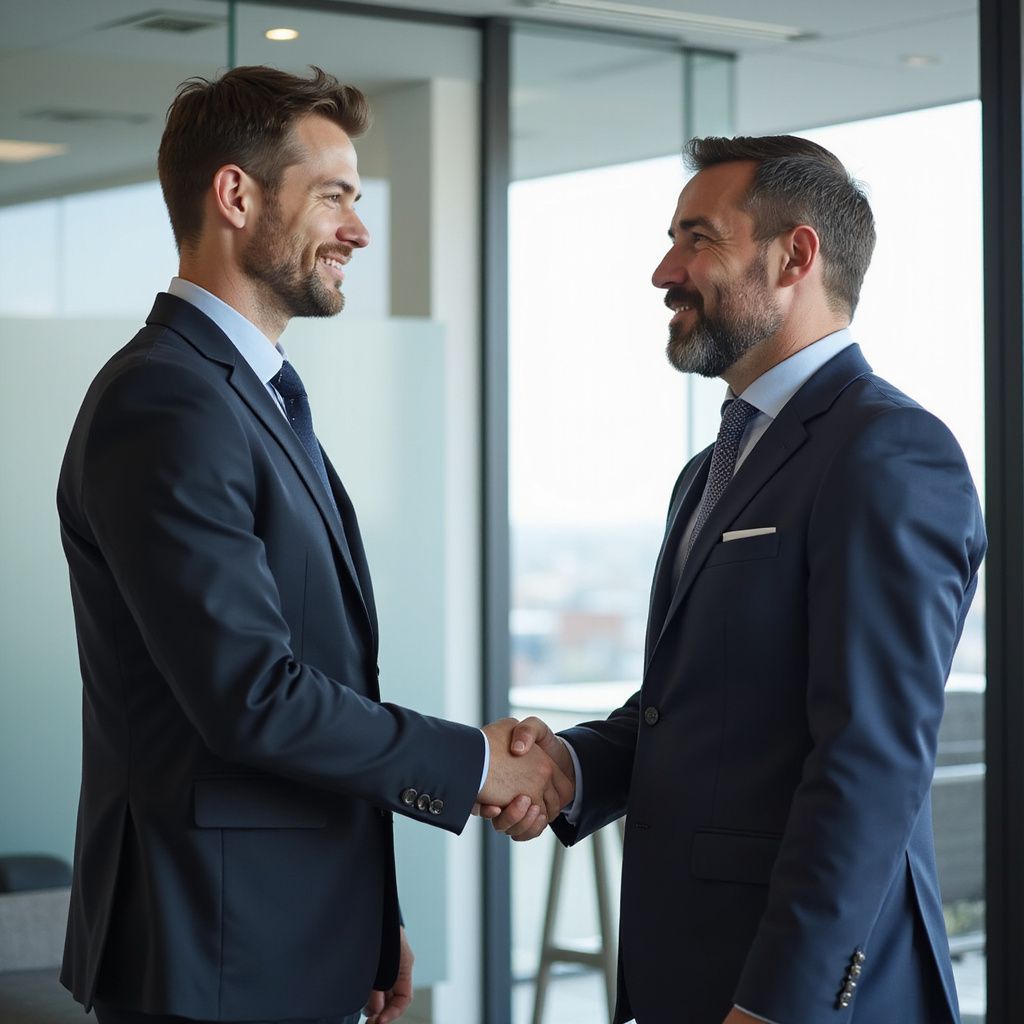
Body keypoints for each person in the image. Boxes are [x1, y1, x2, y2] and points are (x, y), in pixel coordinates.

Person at [56, 65, 571, 1024]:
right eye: (334, 195)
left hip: (283, 936)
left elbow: (317, 679)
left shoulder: (248, 398)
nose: (359, 229)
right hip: (213, 958)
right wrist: (476, 767)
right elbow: (251, 696)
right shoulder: (167, 399)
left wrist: (368, 916)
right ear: (237, 196)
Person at [486, 135, 986, 1024]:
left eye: (697, 239)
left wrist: (778, 1004)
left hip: (801, 994)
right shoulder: (709, 470)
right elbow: (697, 709)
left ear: (795, 255)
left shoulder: (889, 451)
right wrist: (566, 767)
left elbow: (871, 762)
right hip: (697, 972)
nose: (663, 271)